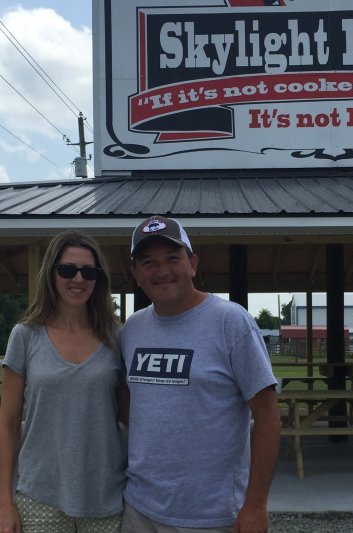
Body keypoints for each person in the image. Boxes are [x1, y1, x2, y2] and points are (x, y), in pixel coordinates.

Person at [121, 215, 281, 533]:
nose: (162, 270)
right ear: (136, 273)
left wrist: (255, 505)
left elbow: (268, 415)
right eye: (148, 262)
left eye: (172, 258)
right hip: (140, 511)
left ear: (192, 263)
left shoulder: (230, 322)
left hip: (214, 517)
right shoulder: (132, 328)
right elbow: (131, 406)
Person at [0, 231, 127, 533]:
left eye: (88, 271)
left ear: (99, 278)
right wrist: (4, 502)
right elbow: (8, 422)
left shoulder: (118, 337)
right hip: (40, 495)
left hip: (105, 495)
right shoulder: (25, 336)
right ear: (51, 274)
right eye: (67, 270)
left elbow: (131, 415)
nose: (78, 279)